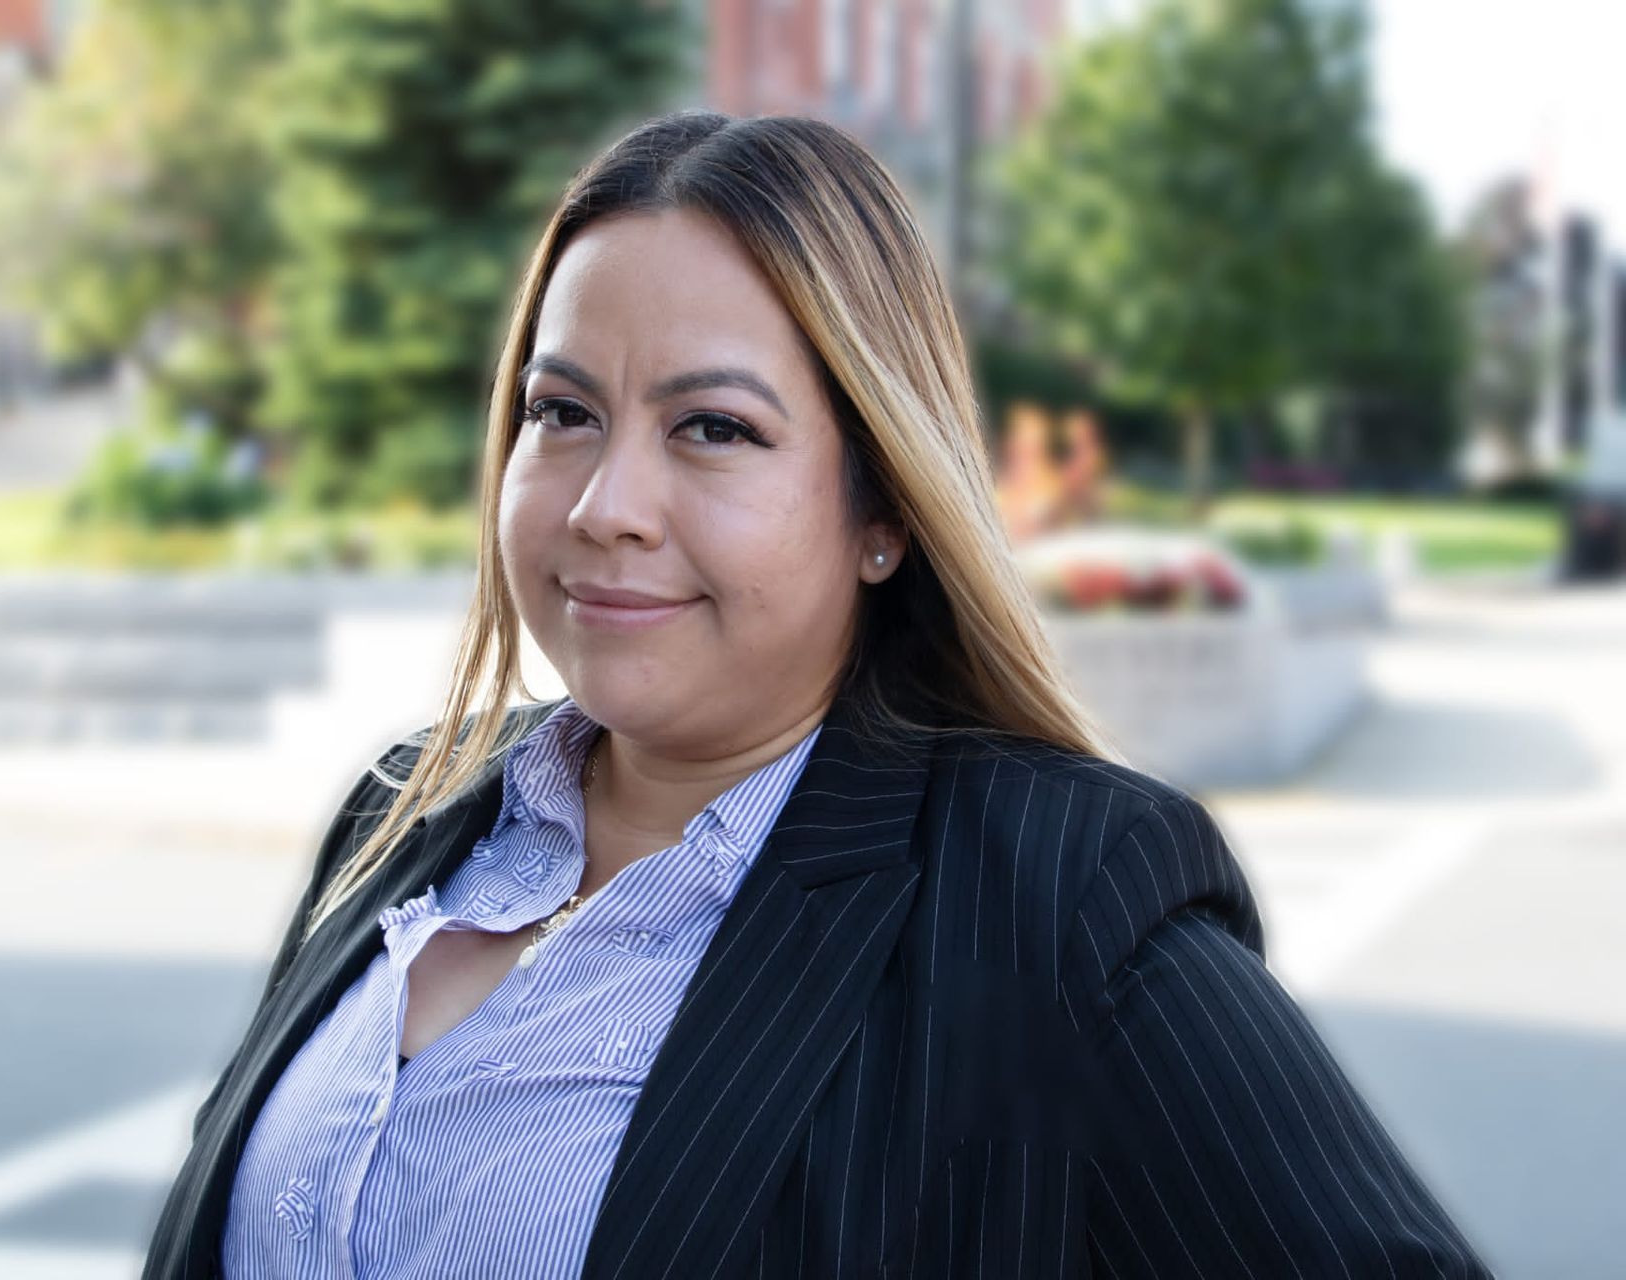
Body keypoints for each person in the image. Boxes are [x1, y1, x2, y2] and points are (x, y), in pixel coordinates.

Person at [145, 111, 1492, 1279]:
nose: (607, 506)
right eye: (562, 414)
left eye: (713, 429)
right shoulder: (407, 812)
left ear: (882, 512)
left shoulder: (1058, 906)